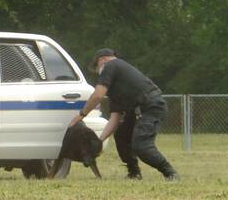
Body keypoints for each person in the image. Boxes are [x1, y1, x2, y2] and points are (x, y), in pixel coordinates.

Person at [71, 49, 180, 181]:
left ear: (102, 60)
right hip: (137, 110)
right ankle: (134, 173)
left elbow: (98, 95)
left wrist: (81, 115)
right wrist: (99, 141)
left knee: (142, 146)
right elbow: (115, 118)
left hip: (151, 106)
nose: (99, 72)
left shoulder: (111, 65)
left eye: (97, 67)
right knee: (121, 135)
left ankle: (170, 173)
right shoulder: (116, 86)